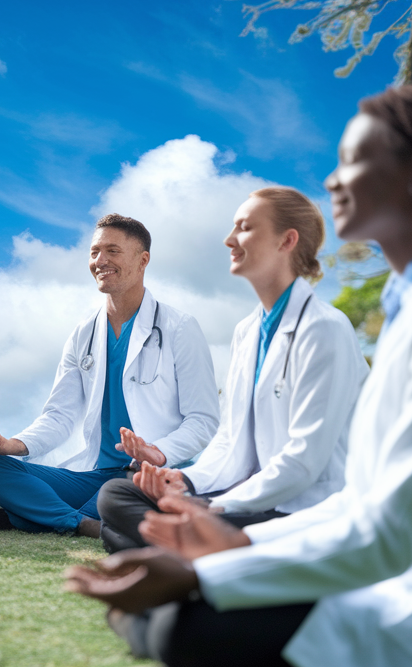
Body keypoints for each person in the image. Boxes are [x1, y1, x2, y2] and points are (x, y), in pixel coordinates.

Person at [64, 85, 412, 667]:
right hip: (366, 559)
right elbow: (360, 497)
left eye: (355, 161)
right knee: (150, 602)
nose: (333, 180)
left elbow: (385, 529)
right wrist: (220, 535)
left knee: (179, 622)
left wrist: (213, 566)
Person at [96, 189, 368, 553]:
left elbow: (304, 463)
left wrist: (213, 506)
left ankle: (190, 548)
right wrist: (184, 481)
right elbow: (229, 439)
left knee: (121, 529)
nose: (229, 239)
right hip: (249, 498)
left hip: (303, 509)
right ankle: (194, 549)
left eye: (244, 227)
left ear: (287, 241)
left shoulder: (325, 329)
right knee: (117, 494)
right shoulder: (247, 331)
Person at [0, 214, 219, 537]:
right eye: (94, 252)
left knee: (113, 496)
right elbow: (58, 416)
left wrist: (158, 452)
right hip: (94, 472)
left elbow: (203, 420)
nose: (100, 261)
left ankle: (34, 515)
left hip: (146, 474)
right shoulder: (83, 333)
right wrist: (10, 443)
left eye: (112, 251)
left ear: (142, 260)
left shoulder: (180, 328)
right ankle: (79, 522)